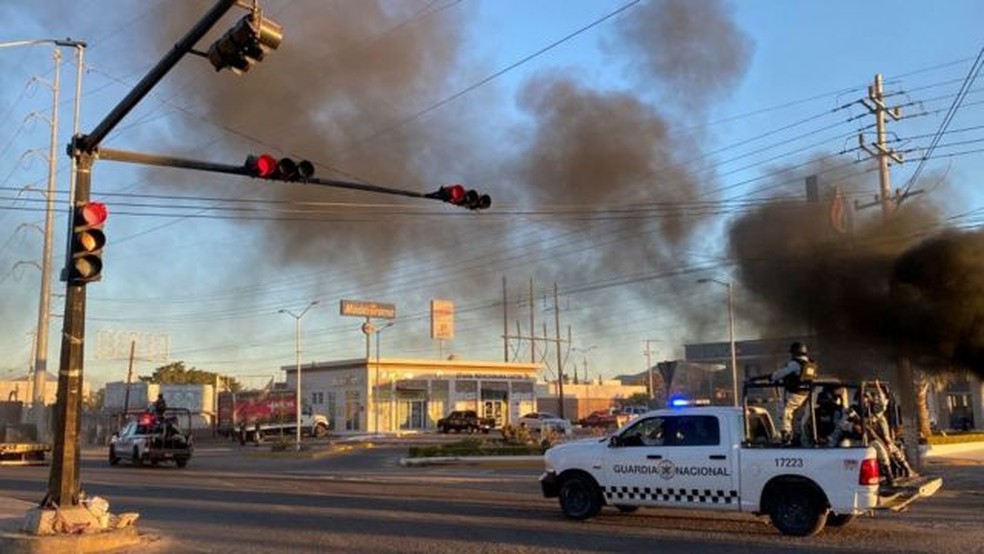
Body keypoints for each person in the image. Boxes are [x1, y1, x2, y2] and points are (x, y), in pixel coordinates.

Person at [771, 341, 818, 444]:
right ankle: (797, 436)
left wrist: (772, 377)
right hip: (806, 395)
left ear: (794, 353)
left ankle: (786, 435)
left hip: (794, 394)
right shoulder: (810, 365)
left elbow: (779, 374)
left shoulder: (794, 364)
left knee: (785, 411)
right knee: (798, 416)